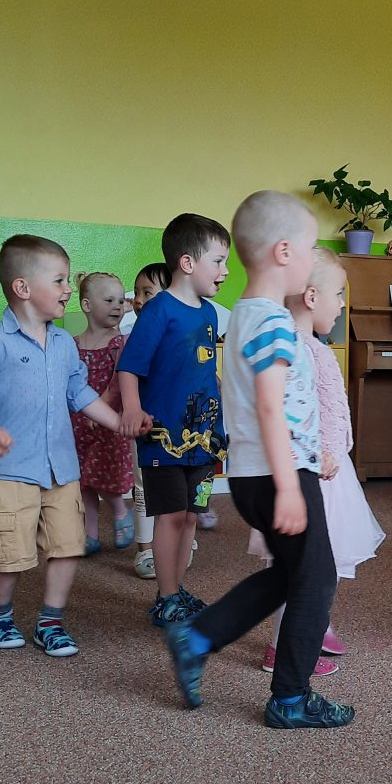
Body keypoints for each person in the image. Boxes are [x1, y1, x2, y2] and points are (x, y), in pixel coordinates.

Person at [163, 190, 355, 729]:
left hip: (253, 474)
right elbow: (271, 405)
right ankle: (290, 697)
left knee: (291, 573)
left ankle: (198, 637)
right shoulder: (270, 321)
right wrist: (291, 486)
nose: (312, 259)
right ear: (284, 252)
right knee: (318, 579)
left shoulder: (246, 315)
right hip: (280, 472)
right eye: (310, 248)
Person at [0, 234, 130, 656]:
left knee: (68, 545)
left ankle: (51, 621)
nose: (69, 288)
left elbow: (79, 393)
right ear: (23, 288)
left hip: (61, 468)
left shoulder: (65, 344)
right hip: (10, 470)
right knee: (10, 551)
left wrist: (119, 423)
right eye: (60, 280)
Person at [246, 248, 385, 675]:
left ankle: (316, 625)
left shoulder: (311, 346)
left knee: (322, 562)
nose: (342, 305)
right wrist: (322, 452)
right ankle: (282, 646)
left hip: (329, 469)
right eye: (338, 294)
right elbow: (290, 413)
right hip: (314, 474)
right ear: (310, 297)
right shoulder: (299, 349)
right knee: (305, 567)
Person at [117, 216, 229, 626]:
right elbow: (130, 366)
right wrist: (132, 408)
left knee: (191, 515)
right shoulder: (159, 310)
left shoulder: (210, 314)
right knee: (171, 515)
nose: (225, 271)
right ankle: (166, 597)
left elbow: (204, 369)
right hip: (163, 437)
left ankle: (177, 590)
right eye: (218, 261)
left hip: (205, 437)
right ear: (187, 262)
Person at [70, 271, 135, 556]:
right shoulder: (72, 344)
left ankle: (120, 511)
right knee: (83, 479)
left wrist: (103, 411)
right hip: (76, 422)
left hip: (108, 421)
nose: (117, 306)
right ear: (87, 305)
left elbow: (119, 382)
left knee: (104, 474)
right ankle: (90, 534)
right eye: (109, 300)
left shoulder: (120, 343)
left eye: (120, 301)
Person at [121, 262, 170, 579]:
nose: (138, 300)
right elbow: (127, 376)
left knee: (174, 486)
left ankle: (172, 538)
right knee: (143, 484)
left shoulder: (180, 331)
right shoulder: (137, 335)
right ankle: (145, 548)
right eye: (137, 292)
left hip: (177, 425)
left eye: (147, 292)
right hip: (145, 423)